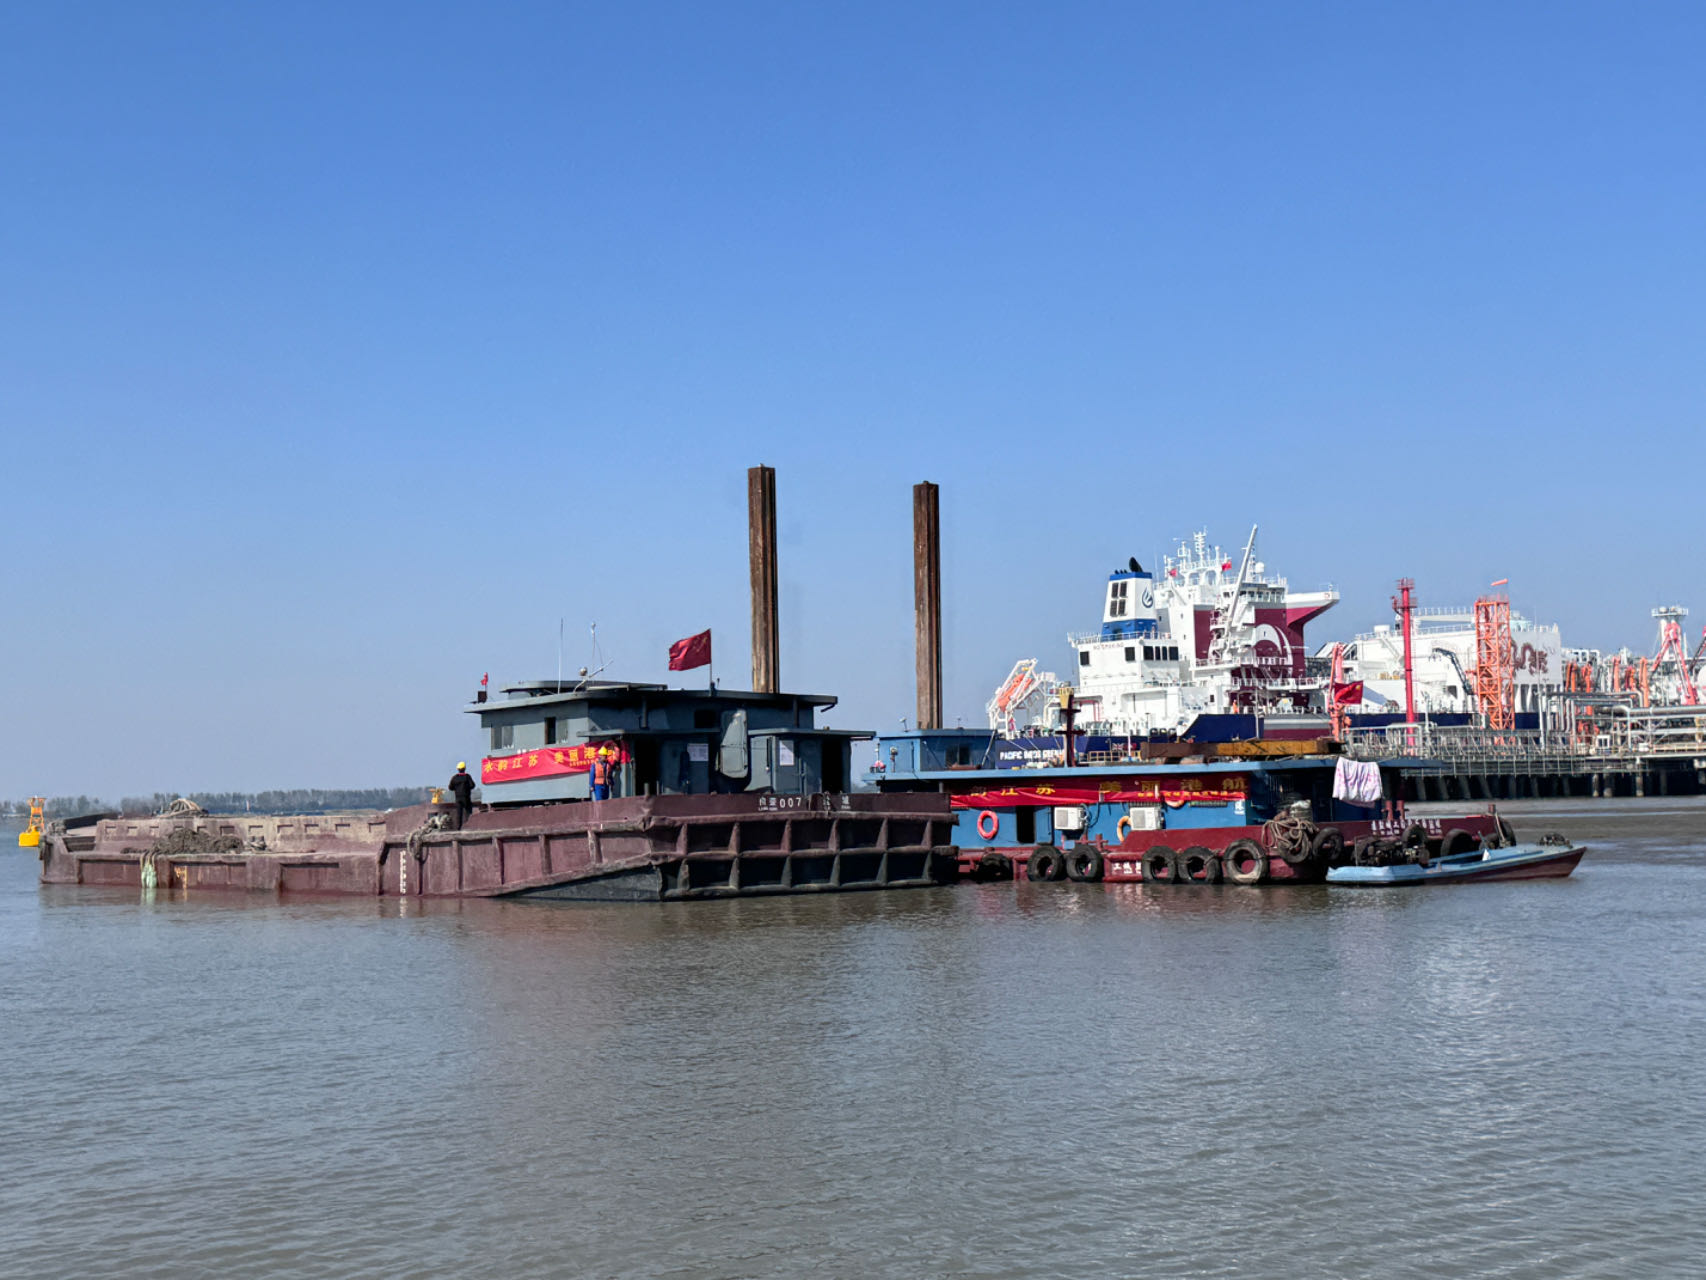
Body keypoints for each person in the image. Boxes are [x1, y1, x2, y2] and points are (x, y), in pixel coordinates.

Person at [448, 762, 476, 829]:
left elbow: (450, 787)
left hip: (458, 798)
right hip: (466, 797)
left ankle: (458, 827)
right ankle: (469, 825)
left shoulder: (454, 778)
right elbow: (472, 785)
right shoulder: (467, 777)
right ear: (464, 768)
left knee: (459, 813)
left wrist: (457, 788)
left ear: (458, 769)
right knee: (468, 811)